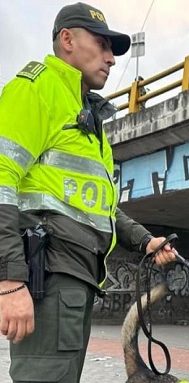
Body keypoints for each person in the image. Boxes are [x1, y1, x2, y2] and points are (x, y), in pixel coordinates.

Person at [0, 3, 177, 382]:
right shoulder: (37, 89)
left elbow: (100, 206)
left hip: (74, 280)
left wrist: (145, 240)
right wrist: (10, 280)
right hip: (48, 277)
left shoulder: (86, 115)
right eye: (102, 44)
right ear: (67, 39)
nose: (111, 59)